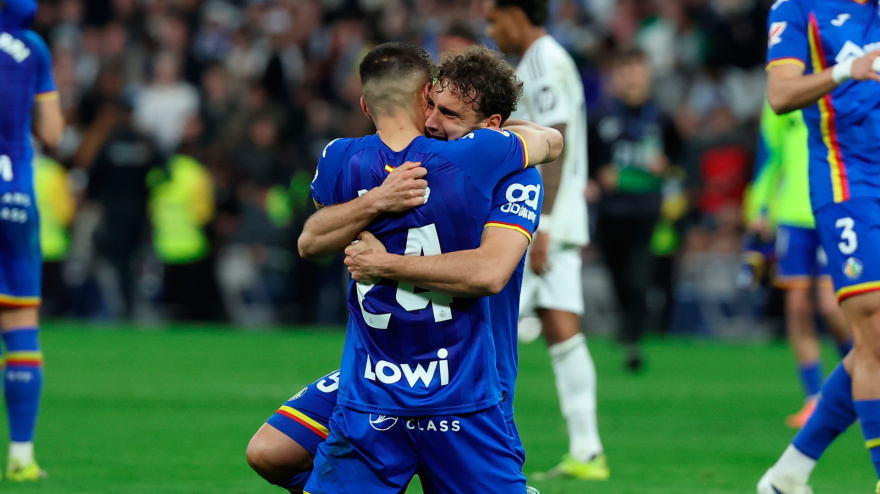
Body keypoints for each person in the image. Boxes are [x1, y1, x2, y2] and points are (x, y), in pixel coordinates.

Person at [247, 46, 553, 492]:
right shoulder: (462, 159)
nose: (434, 122)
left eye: (450, 114)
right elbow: (309, 241)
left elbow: (490, 272)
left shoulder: (510, 174)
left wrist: (384, 264)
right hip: (381, 372)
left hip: (472, 372)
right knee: (270, 451)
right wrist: (376, 200)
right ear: (424, 96)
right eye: (434, 107)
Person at [758, 1, 880, 493]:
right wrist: (846, 70)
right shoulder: (798, 8)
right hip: (847, 181)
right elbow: (780, 94)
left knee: (872, 343)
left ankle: (788, 475)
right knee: (873, 325)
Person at [485, 0, 606, 480]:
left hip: (541, 223)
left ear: (516, 13)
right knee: (562, 329)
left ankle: (483, 449)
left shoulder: (543, 61)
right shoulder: (544, 59)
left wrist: (545, 220)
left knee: (484, 327)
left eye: (493, 19)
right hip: (553, 220)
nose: (491, 29)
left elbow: (558, 137)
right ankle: (588, 451)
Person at [745, 101, 851, 429]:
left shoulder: (840, 82)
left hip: (835, 206)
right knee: (797, 306)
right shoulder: (783, 91)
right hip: (791, 213)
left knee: (833, 307)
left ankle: (863, 377)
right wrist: (759, 207)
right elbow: (769, 154)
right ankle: (814, 398)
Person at [0, 0, 64, 480]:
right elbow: (53, 132)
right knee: (19, 318)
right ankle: (21, 455)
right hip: (15, 196)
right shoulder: (33, 47)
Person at [588, 46, 682, 372]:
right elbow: (584, 158)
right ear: (616, 76)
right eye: (626, 70)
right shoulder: (600, 117)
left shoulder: (661, 117)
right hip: (610, 211)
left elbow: (680, 156)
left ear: (648, 75)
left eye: (637, 70)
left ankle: (632, 338)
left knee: (639, 277)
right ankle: (627, 325)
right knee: (616, 275)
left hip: (646, 209)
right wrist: (594, 177)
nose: (632, 77)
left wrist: (667, 165)